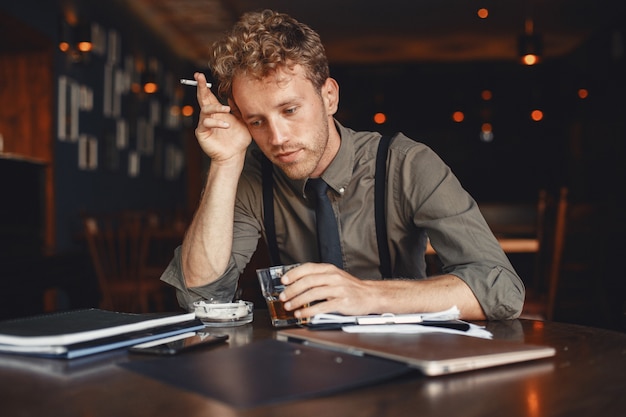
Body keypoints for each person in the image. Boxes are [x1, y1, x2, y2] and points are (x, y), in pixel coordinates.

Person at [161, 9, 525, 321]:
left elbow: (502, 288)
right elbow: (200, 297)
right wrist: (225, 162)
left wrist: (369, 296)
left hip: (405, 363)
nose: (277, 137)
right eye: (256, 121)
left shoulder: (406, 163)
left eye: (290, 110)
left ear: (329, 96)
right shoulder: (252, 174)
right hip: (299, 366)